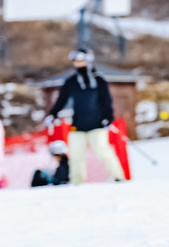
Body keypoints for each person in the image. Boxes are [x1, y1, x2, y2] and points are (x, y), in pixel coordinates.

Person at [46, 48, 126, 184]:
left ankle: (118, 177)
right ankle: (78, 181)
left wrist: (108, 118)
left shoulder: (98, 80)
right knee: (76, 156)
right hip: (78, 125)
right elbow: (62, 100)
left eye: (80, 60)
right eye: (75, 61)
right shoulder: (71, 82)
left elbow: (106, 101)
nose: (77, 63)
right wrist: (53, 114)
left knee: (103, 151)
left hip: (98, 124)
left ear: (88, 60)